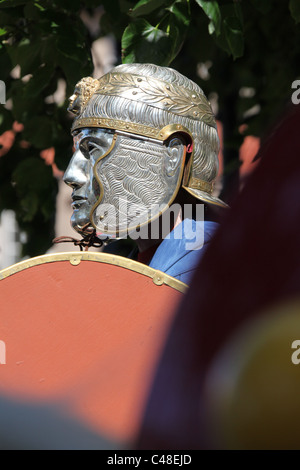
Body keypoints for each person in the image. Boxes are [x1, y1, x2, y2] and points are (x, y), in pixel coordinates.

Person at [63, 63, 228, 284]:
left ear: (172, 155)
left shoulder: (205, 257)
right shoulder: (138, 261)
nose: (71, 176)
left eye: (92, 149)